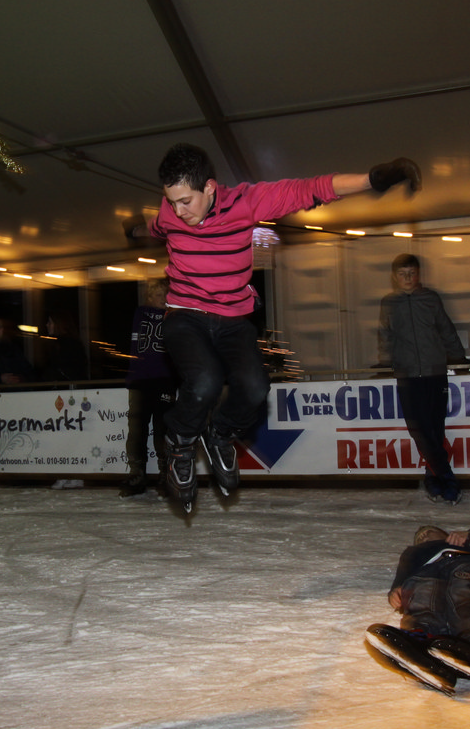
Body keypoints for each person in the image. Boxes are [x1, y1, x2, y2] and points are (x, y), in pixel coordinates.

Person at [127, 142, 421, 513]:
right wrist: (132, 230)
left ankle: (220, 434)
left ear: (210, 188)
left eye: (186, 201)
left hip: (233, 318)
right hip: (185, 314)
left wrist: (374, 179)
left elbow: (309, 189)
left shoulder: (246, 203)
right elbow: (153, 227)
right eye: (172, 202)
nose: (179, 211)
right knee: (204, 381)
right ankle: (180, 444)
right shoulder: (170, 212)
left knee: (255, 387)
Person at [365, 525, 470, 702]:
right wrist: (397, 589)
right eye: (420, 536)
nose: (424, 535)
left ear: (445, 534)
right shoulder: (413, 552)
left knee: (466, 601)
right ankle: (420, 643)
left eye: (430, 531)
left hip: (465, 565)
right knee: (422, 602)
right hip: (425, 574)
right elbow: (404, 571)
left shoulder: (462, 543)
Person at [378, 254, 470, 505]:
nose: (407, 278)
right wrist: (384, 361)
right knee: (418, 429)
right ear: (394, 277)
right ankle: (447, 477)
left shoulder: (430, 298)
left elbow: (446, 329)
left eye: (412, 273)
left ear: (418, 274)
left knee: (435, 428)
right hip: (407, 374)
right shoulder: (389, 303)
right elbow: (385, 334)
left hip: (435, 372)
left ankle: (433, 478)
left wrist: (459, 357)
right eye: (402, 274)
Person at [121, 278, 178, 498]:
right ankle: (137, 474)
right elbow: (135, 344)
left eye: (166, 295)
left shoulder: (174, 317)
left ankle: (166, 474)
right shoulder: (141, 313)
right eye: (158, 295)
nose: (162, 299)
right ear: (150, 298)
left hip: (164, 380)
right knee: (137, 429)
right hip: (140, 381)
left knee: (163, 429)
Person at [41, 311, 88, 383]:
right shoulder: (70, 342)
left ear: (58, 324)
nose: (47, 325)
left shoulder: (64, 344)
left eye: (50, 322)